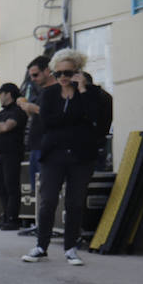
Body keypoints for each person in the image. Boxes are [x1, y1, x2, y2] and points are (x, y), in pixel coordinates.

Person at [23, 49, 109, 266]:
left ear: (78, 72)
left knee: (74, 202)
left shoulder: (90, 94)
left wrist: (82, 91)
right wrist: (74, 118)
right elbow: (47, 121)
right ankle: (41, 246)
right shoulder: (49, 94)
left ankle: (70, 248)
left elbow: (94, 118)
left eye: (68, 73)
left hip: (81, 155)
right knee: (48, 200)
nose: (62, 78)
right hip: (54, 154)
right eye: (58, 73)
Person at [0, 84, 27, 229]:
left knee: (11, 186)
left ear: (8, 94)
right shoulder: (1, 113)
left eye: (0, 94)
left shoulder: (17, 111)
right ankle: (6, 215)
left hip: (12, 153)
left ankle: (13, 219)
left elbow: (6, 127)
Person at [18, 55, 56, 194]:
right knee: (38, 191)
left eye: (35, 75)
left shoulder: (56, 91)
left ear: (47, 71)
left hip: (46, 148)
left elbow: (55, 116)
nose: (33, 79)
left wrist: (33, 108)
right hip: (36, 146)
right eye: (31, 76)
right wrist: (28, 109)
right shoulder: (41, 93)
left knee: (46, 191)